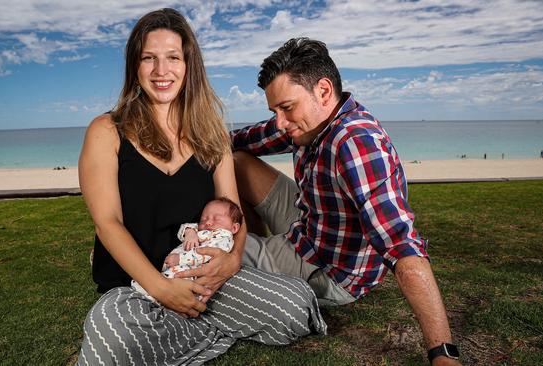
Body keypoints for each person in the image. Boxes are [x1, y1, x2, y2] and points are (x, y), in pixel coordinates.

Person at [76, 10, 325, 365]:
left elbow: (232, 211)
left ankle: (185, 328)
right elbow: (108, 222)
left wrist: (231, 261)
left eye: (173, 58)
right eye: (149, 58)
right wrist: (163, 289)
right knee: (110, 336)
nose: (162, 71)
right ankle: (202, 325)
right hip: (137, 287)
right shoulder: (106, 131)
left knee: (296, 306)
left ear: (189, 64)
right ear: (135, 66)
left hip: (205, 280)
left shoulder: (212, 135)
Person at [229, 38, 461, 365]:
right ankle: (264, 250)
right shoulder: (310, 121)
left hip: (329, 268)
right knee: (236, 160)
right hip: (311, 221)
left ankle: (261, 257)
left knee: (217, 249)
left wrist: (442, 353)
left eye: (286, 107)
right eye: (275, 110)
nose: (280, 121)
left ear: (323, 91)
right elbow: (247, 138)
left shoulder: (356, 143)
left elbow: (401, 246)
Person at [130, 197, 242, 301]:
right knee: (168, 280)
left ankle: (147, 294)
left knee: (174, 281)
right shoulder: (201, 230)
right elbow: (184, 228)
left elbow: (205, 254)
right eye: (204, 219)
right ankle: (150, 291)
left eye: (216, 219)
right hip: (180, 267)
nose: (208, 222)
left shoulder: (223, 238)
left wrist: (180, 259)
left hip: (194, 272)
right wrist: (190, 232)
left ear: (234, 227)